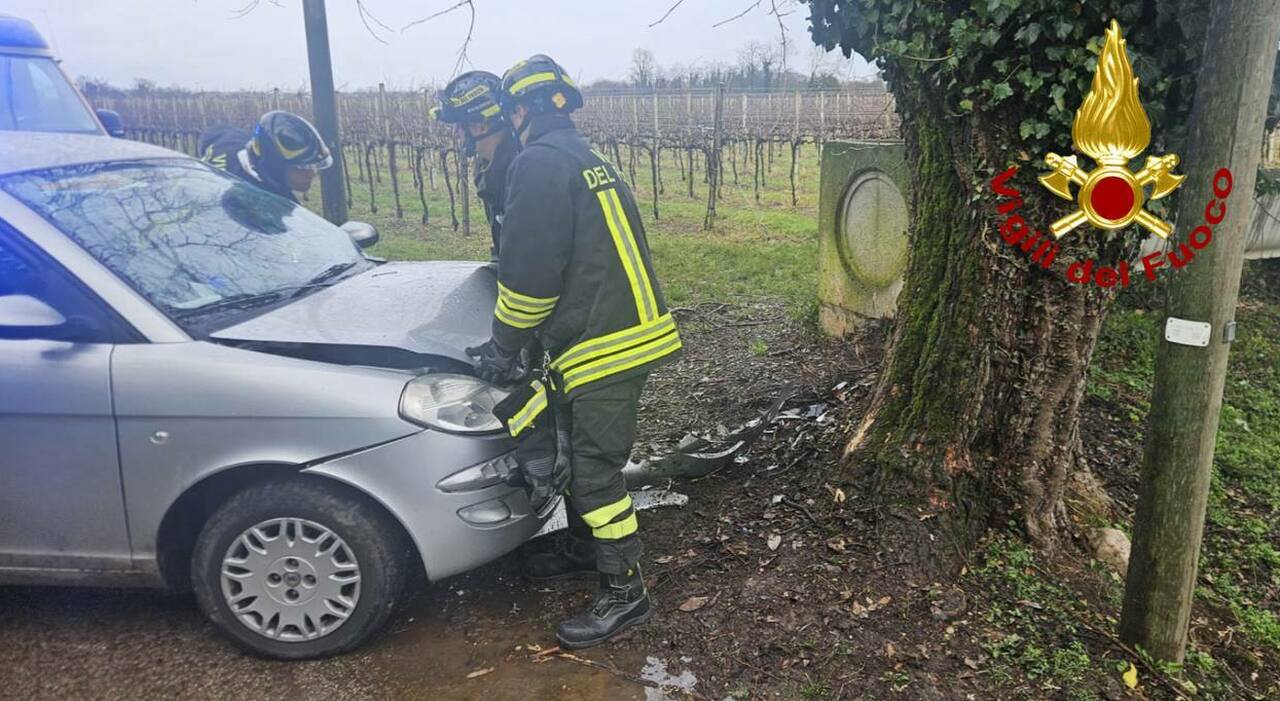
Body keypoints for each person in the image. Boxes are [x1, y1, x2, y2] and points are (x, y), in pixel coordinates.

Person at [467, 55, 683, 650]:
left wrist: (501, 346)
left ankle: (626, 590)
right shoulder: (584, 156)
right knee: (570, 446)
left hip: (604, 344)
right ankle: (588, 547)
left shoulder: (537, 163)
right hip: (615, 331)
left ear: (517, 113)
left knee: (592, 471)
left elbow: (530, 282)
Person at [430, 71, 519, 260]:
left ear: (481, 124)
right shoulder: (488, 167)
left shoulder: (522, 172)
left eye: (460, 126)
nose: (455, 133)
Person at [198, 111, 332, 203]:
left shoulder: (231, 139)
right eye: (302, 168)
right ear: (275, 166)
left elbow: (211, 133)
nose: (312, 174)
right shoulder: (260, 202)